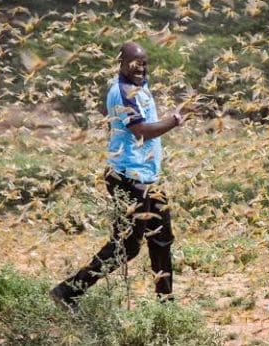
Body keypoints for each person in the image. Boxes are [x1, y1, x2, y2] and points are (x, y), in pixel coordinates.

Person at [50, 42, 193, 310]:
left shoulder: (140, 87)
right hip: (128, 178)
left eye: (144, 63)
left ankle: (166, 306)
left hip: (148, 177)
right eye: (135, 62)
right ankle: (68, 292)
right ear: (121, 62)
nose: (141, 67)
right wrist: (173, 121)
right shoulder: (122, 92)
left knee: (162, 239)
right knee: (127, 246)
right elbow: (140, 130)